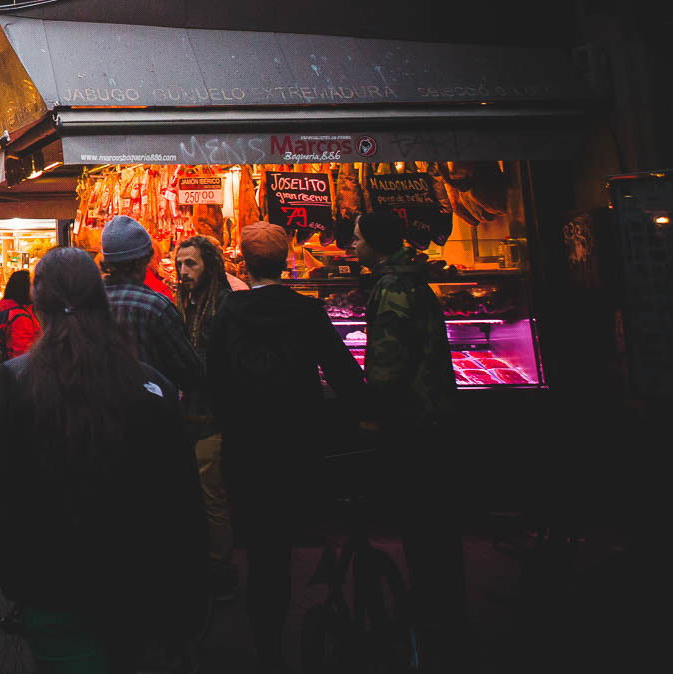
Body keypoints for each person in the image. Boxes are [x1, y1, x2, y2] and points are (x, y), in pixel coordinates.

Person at [0, 249, 207, 671]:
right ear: (101, 301)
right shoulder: (152, 386)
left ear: (37, 307)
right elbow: (183, 500)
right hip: (139, 585)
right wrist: (190, 603)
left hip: (49, 585)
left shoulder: (13, 384)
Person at [206, 222, 366, 673]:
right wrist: (362, 416)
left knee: (260, 546)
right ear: (285, 258)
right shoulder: (306, 311)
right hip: (297, 444)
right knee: (285, 538)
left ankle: (267, 641)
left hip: (245, 447)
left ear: (245, 261)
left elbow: (214, 378)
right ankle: (291, 617)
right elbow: (343, 373)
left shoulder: (228, 311)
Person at [354, 208, 465, 664]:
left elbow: (388, 362)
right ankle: (441, 603)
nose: (351, 245)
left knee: (424, 517)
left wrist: (372, 413)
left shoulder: (394, 286)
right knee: (433, 518)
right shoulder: (407, 278)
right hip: (431, 413)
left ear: (375, 242)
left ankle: (434, 610)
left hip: (416, 420)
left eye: (357, 237)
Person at [171, 235, 237, 601]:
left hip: (213, 416)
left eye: (190, 264)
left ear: (209, 266)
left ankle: (221, 569)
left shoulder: (224, 306)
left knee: (211, 494)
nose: (182, 272)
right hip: (190, 414)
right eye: (180, 264)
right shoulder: (188, 304)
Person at [99, 216, 205, 394]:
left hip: (96, 414)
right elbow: (191, 373)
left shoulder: (86, 303)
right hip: (150, 411)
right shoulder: (156, 307)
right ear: (144, 260)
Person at [0, 267, 42, 361]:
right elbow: (21, 353)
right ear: (24, 289)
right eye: (33, 285)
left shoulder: (10, 308)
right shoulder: (20, 317)